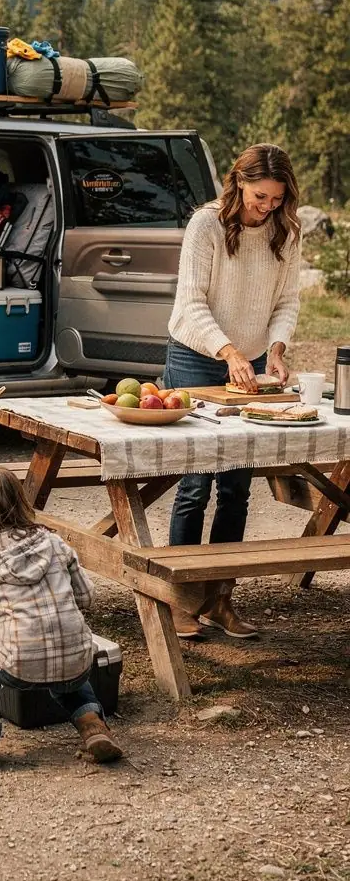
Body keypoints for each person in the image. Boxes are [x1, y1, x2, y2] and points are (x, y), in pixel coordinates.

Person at [165, 143, 301, 641]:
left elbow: (287, 300)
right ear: (238, 182)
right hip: (197, 355)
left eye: (276, 199)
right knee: (196, 483)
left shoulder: (287, 230)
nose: (267, 207)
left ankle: (220, 599)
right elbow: (191, 302)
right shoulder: (206, 225)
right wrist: (228, 352)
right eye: (260, 196)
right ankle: (181, 599)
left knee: (237, 487)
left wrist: (276, 349)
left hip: (252, 361)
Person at [0, 468, 122, 771]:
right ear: (20, 501)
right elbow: (86, 598)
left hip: (19, 665)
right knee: (63, 664)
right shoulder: (53, 542)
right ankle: (92, 724)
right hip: (79, 660)